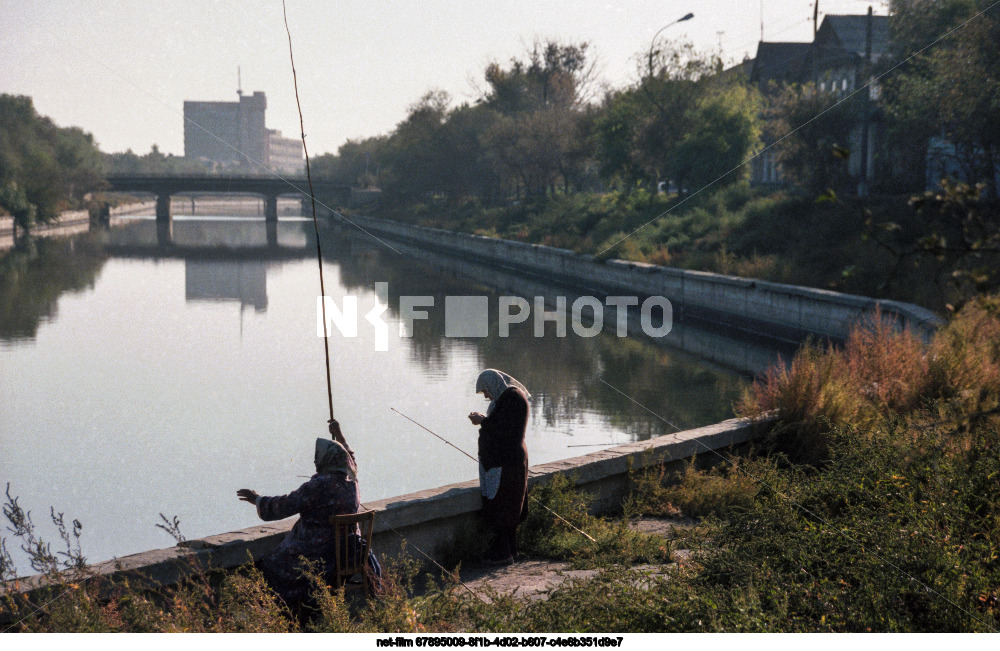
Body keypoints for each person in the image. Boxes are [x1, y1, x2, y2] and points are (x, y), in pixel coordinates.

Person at [237, 420, 379, 609]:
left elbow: (285, 505)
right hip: (350, 554)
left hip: (322, 556)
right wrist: (340, 435)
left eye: (317, 460)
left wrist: (257, 499)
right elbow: (351, 460)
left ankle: (292, 611)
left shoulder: (317, 486)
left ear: (325, 460)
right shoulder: (351, 481)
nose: (316, 464)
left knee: (271, 564)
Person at [467, 369, 530, 565]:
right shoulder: (508, 397)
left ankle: (502, 554)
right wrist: (484, 421)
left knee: (502, 504)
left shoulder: (511, 399)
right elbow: (500, 424)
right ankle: (511, 549)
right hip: (505, 461)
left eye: (485, 391)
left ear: (493, 384)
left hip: (506, 462)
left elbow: (504, 429)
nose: (485, 396)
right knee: (509, 504)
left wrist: (482, 421)